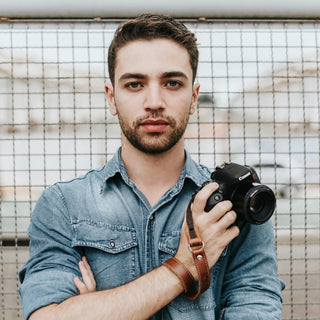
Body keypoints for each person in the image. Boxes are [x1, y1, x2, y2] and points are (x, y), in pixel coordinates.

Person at [19, 13, 285, 320]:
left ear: (194, 97)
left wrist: (98, 310)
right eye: (135, 84)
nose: (154, 101)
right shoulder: (64, 206)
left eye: (172, 83)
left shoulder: (235, 205)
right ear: (111, 98)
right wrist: (184, 265)